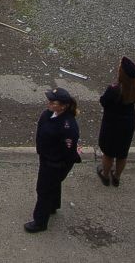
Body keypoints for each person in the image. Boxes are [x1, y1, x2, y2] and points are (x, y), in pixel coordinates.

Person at [23, 87, 81, 233]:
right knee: (52, 186)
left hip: (55, 163)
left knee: (43, 190)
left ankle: (40, 221)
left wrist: (61, 166)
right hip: (46, 157)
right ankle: (53, 205)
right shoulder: (49, 114)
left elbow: (68, 152)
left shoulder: (68, 127)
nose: (49, 103)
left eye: (52, 101)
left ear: (63, 106)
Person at [96, 57, 135, 187]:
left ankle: (105, 175)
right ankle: (116, 176)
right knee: (122, 154)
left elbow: (103, 101)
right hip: (128, 123)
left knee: (108, 153)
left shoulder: (114, 90)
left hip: (111, 124)